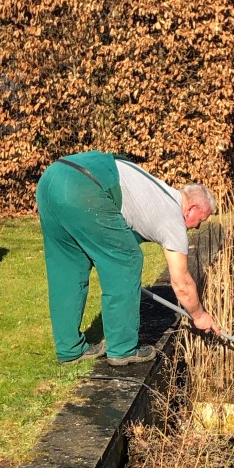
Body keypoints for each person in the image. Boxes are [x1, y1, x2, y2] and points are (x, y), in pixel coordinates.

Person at [36, 150, 220, 366]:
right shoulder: (172, 217)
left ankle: (69, 348)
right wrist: (199, 315)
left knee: (68, 267)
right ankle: (122, 349)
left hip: (52, 178)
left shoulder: (159, 190)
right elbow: (182, 284)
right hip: (83, 186)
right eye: (201, 220)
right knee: (126, 260)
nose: (197, 227)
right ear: (192, 209)